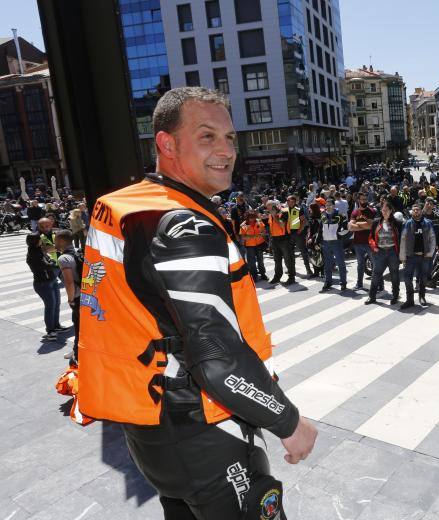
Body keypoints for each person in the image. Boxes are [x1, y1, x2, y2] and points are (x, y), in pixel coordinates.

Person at [75, 87, 316, 518]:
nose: (225, 151)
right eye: (207, 137)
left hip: (155, 429)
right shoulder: (183, 222)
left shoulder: (131, 207)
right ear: (167, 144)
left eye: (230, 138)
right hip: (205, 432)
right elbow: (216, 358)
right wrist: (288, 422)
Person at [26, 233, 65, 341]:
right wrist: (55, 264)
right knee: (50, 306)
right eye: (39, 240)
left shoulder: (39, 250)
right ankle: (50, 330)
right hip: (43, 283)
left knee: (56, 303)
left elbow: (48, 259)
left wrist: (51, 261)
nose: (41, 241)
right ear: (35, 241)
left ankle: (56, 326)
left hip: (51, 280)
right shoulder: (33, 253)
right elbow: (44, 264)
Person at [365, 202, 402, 305]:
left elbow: (401, 239)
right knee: (376, 274)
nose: (384, 212)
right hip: (380, 252)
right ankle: (372, 297)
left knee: (394, 275)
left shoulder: (397, 223)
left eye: (386, 210)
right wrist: (374, 247)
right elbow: (371, 237)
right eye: (383, 210)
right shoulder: (376, 222)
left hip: (392, 252)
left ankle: (395, 296)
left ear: (391, 211)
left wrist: (401, 254)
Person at [399, 203, 436, 309]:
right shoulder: (407, 223)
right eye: (414, 210)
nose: (416, 211)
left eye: (418, 209)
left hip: (424, 257)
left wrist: (430, 253)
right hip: (410, 257)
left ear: (421, 211)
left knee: (423, 278)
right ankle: (409, 300)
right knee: (407, 278)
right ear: (412, 212)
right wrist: (402, 257)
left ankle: (422, 296)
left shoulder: (428, 223)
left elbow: (432, 238)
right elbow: (403, 239)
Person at [54, 229, 81, 361]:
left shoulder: (63, 258)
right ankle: (76, 348)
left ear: (61, 240)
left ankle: (77, 353)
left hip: (77, 297)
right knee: (81, 325)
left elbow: (69, 283)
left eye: (56, 239)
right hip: (88, 294)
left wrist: (70, 300)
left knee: (78, 325)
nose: (54, 242)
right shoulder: (79, 251)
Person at [318, 198, 348, 291]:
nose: (328, 207)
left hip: (336, 243)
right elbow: (320, 229)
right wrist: (317, 241)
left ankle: (343, 283)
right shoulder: (323, 214)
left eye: (329, 205)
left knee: (340, 263)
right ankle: (328, 282)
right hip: (325, 242)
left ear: (334, 206)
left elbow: (346, 228)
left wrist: (339, 235)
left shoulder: (340, 215)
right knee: (327, 264)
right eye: (326, 205)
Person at [348, 192, 376, 290]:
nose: (364, 201)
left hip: (369, 242)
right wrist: (364, 226)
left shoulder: (371, 211)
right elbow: (350, 227)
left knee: (375, 264)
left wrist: (358, 224)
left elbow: (370, 225)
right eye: (362, 199)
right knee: (360, 265)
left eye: (365, 199)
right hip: (358, 243)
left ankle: (379, 285)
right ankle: (359, 284)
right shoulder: (355, 212)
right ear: (358, 200)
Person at [267, 202, 295, 284]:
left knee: (288, 259)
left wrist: (274, 216)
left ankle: (291, 277)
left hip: (285, 239)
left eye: (270, 208)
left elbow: (281, 225)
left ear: (275, 206)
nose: (268, 210)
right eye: (268, 208)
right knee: (277, 260)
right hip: (275, 239)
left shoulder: (284, 212)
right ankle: (277, 276)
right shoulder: (271, 214)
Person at [285, 195, 312, 277]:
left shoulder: (299, 210)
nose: (290, 203)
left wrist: (300, 230)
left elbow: (304, 221)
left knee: (303, 251)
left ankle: (308, 269)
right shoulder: (285, 210)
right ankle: (291, 269)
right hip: (289, 234)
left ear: (295, 202)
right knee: (289, 253)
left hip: (297, 234)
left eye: (292, 201)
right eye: (288, 201)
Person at [239, 210, 268, 281]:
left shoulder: (259, 222)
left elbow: (264, 231)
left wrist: (263, 233)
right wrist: (253, 236)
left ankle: (263, 274)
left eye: (254, 217)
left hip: (259, 244)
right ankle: (254, 275)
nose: (252, 219)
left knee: (260, 260)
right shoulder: (243, 225)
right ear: (247, 217)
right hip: (249, 246)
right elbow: (243, 237)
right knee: (251, 262)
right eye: (250, 217)